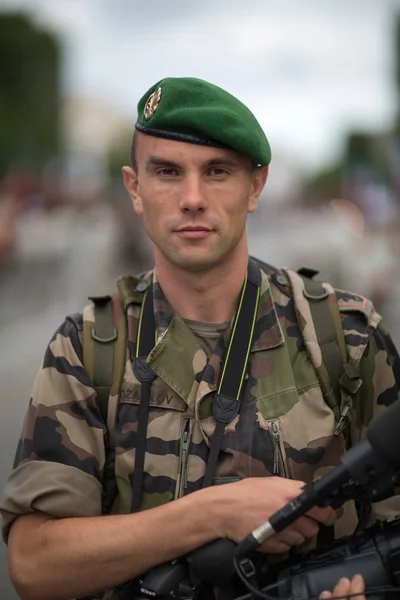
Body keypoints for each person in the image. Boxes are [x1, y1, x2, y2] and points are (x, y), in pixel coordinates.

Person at [1, 77, 399, 600]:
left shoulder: (345, 338)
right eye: (167, 172)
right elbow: (34, 565)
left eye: (217, 172)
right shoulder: (87, 347)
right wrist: (210, 515)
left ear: (256, 187)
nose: (192, 199)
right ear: (135, 188)